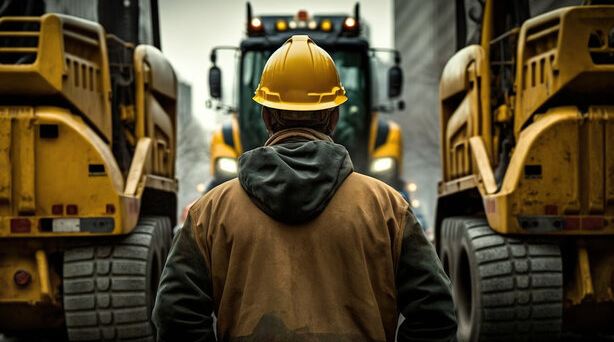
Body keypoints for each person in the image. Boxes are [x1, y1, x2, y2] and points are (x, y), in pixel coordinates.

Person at [152, 35, 457, 342]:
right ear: (334, 116)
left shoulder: (210, 213)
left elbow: (176, 315)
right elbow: (434, 313)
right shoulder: (387, 208)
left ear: (266, 116)